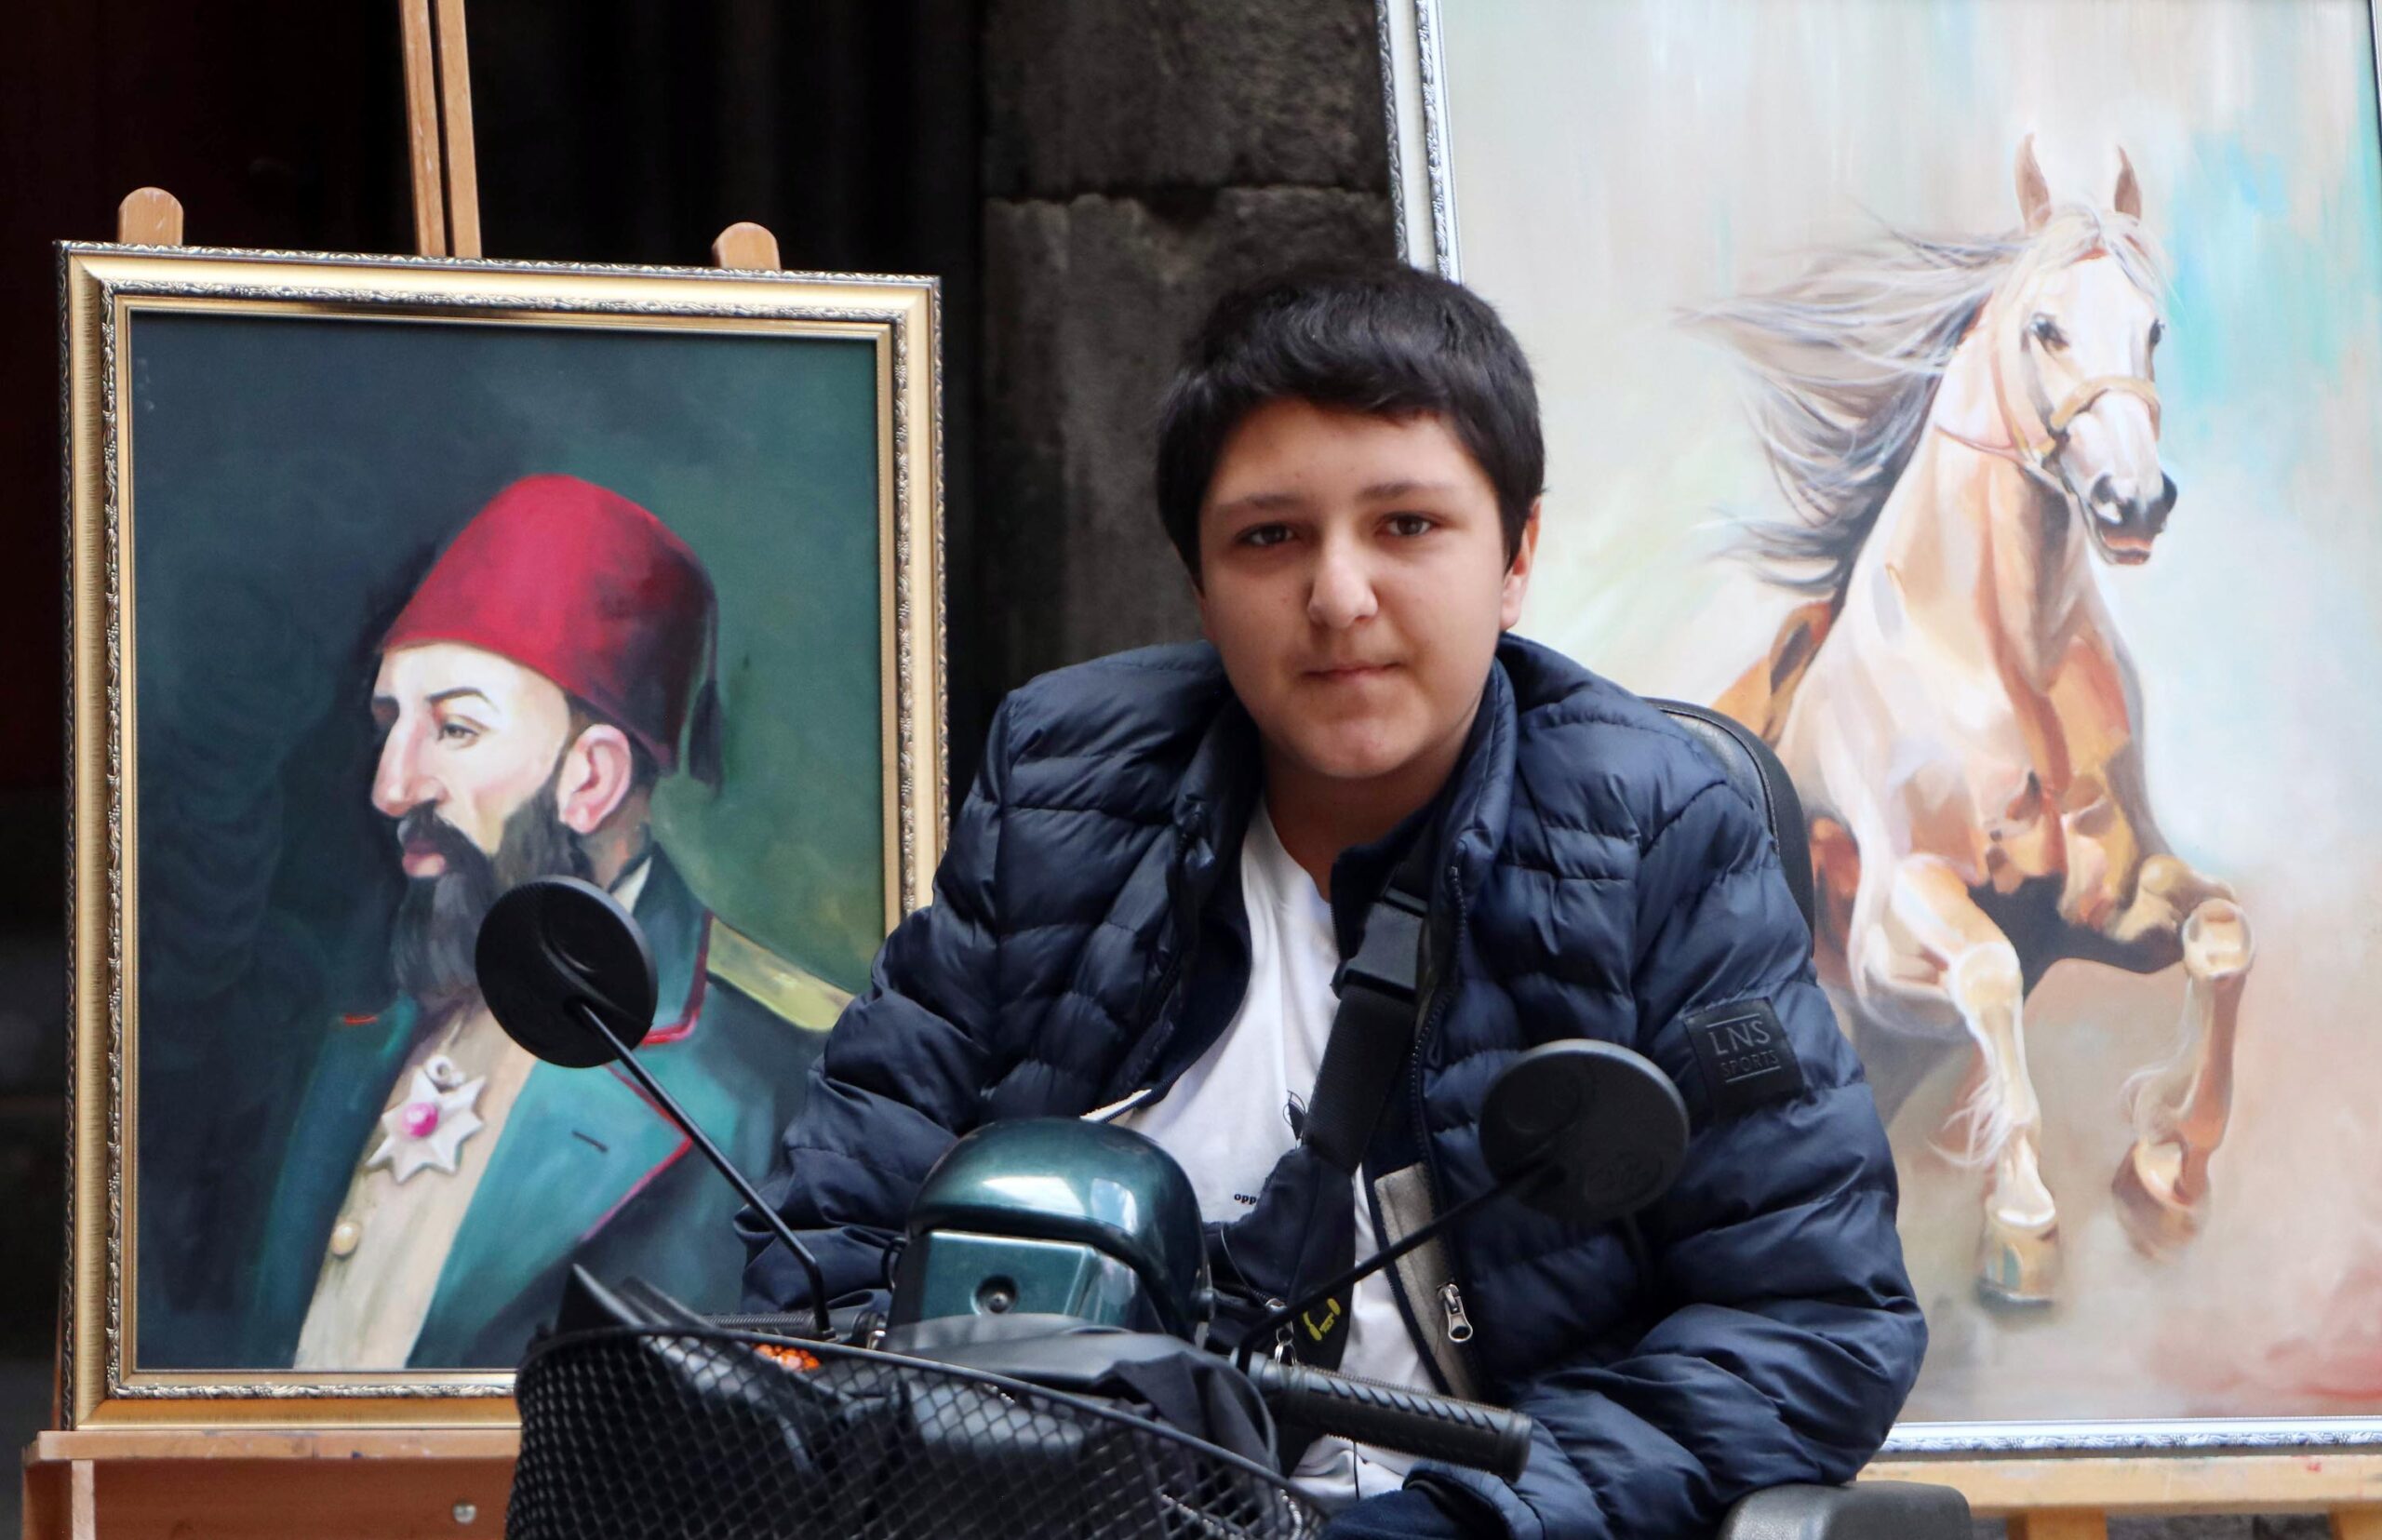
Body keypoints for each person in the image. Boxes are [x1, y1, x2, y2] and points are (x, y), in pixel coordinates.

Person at [743, 265, 1925, 1536]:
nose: (1339, 597)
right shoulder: (1061, 794)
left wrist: (1450, 1523)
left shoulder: (1657, 832)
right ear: (1199, 582)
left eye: (1407, 525)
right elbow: (828, 1242)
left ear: (1517, 555)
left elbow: (1810, 1321)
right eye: (1270, 537)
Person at [248, 474, 847, 1370]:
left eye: (455, 729)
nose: (390, 788)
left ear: (590, 778)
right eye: (389, 724)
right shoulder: (365, 1034)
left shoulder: (774, 1076)